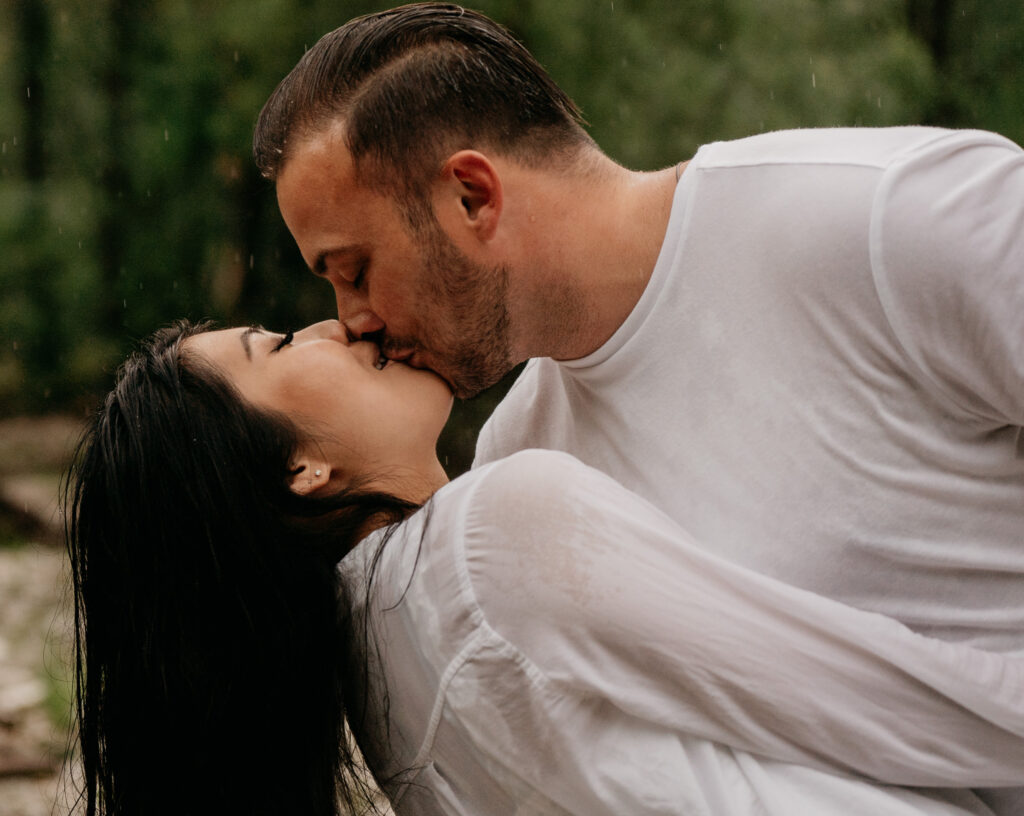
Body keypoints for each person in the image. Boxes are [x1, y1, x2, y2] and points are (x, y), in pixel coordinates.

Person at [66, 319, 1024, 816]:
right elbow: (891, 700)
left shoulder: (374, 687)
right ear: (302, 471)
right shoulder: (494, 538)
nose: (334, 327)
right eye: (277, 345)